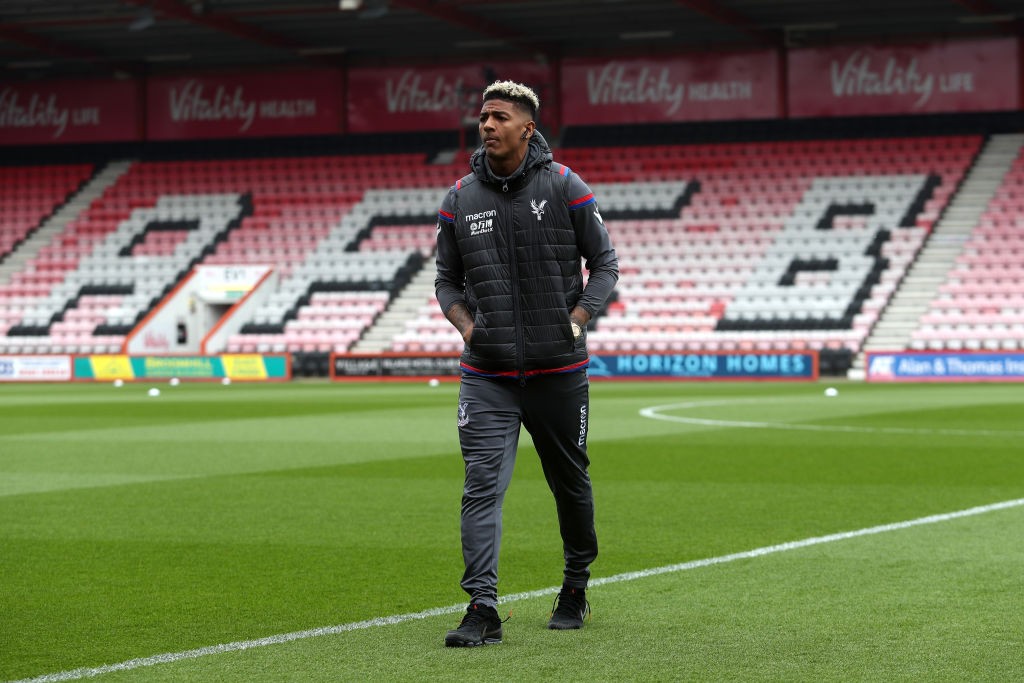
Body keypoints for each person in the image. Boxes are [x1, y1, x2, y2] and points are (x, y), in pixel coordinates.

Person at [434, 80, 619, 647]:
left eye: (499, 116)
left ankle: (575, 584)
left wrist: (581, 316)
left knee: (569, 482)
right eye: (483, 116)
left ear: (527, 128)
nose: (487, 125)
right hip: (487, 375)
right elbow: (446, 280)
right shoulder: (459, 198)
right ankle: (482, 605)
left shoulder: (565, 186)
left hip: (558, 371)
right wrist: (469, 329)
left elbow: (605, 263)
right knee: (481, 484)